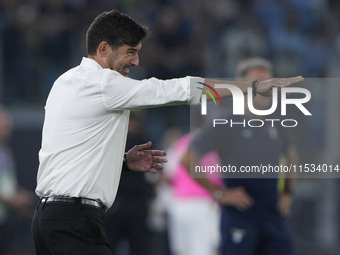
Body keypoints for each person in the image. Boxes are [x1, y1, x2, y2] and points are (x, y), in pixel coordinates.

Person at [31, 9, 303, 255]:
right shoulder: (105, 84)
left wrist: (122, 162)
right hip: (75, 220)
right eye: (130, 51)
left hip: (47, 219)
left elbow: (71, 150)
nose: (136, 60)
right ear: (104, 49)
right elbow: (179, 90)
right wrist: (250, 87)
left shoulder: (64, 81)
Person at [182, 58, 298, 255]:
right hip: (240, 215)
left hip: (273, 215)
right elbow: (187, 158)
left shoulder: (277, 123)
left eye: (268, 83)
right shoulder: (227, 121)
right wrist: (219, 193)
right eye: (258, 84)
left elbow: (291, 154)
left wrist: (287, 191)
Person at [164, 132, 222, 255]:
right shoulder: (214, 140)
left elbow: (169, 174)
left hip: (179, 204)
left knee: (183, 250)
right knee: (203, 249)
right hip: (204, 203)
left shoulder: (181, 142)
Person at [0, 106, 35, 254]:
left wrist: (20, 196)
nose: (8, 129)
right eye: (3, 126)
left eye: (8, 126)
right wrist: (13, 199)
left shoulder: (5, 152)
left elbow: (6, 183)